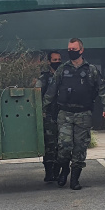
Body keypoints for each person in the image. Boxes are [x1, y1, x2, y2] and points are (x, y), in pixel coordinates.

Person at [44, 39, 105, 190]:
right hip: (65, 113)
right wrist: (42, 108)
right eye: (69, 48)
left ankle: (75, 178)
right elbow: (51, 91)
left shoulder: (91, 70)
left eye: (73, 49)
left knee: (80, 148)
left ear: (81, 50)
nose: (70, 51)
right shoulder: (62, 69)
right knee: (64, 146)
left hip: (83, 114)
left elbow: (103, 90)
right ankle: (64, 168)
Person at [36, 50, 62, 182]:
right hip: (48, 116)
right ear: (49, 62)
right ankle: (49, 172)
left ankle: (58, 172)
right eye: (55, 60)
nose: (57, 62)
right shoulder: (44, 78)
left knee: (62, 145)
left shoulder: (64, 75)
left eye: (59, 60)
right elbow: (36, 94)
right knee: (49, 145)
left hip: (63, 115)